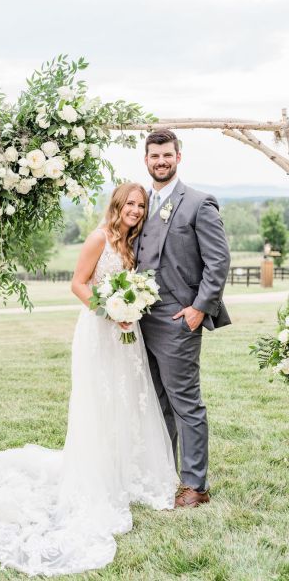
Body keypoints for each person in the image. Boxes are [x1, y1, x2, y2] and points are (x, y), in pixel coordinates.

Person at [0, 183, 178, 577]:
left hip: (126, 335)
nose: (137, 210)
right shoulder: (99, 238)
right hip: (99, 331)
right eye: (131, 203)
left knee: (127, 399)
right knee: (98, 402)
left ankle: (126, 470)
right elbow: (78, 283)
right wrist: (110, 310)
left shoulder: (131, 241)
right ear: (117, 205)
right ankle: (97, 473)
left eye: (142, 205)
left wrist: (131, 307)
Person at [136, 129, 231, 508]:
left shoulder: (197, 203)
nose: (161, 161)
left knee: (185, 402)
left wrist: (199, 309)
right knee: (156, 401)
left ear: (178, 157)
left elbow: (218, 261)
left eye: (167, 155)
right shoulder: (139, 202)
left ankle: (196, 486)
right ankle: (163, 474)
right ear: (146, 160)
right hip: (140, 319)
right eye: (154, 156)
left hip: (179, 319)